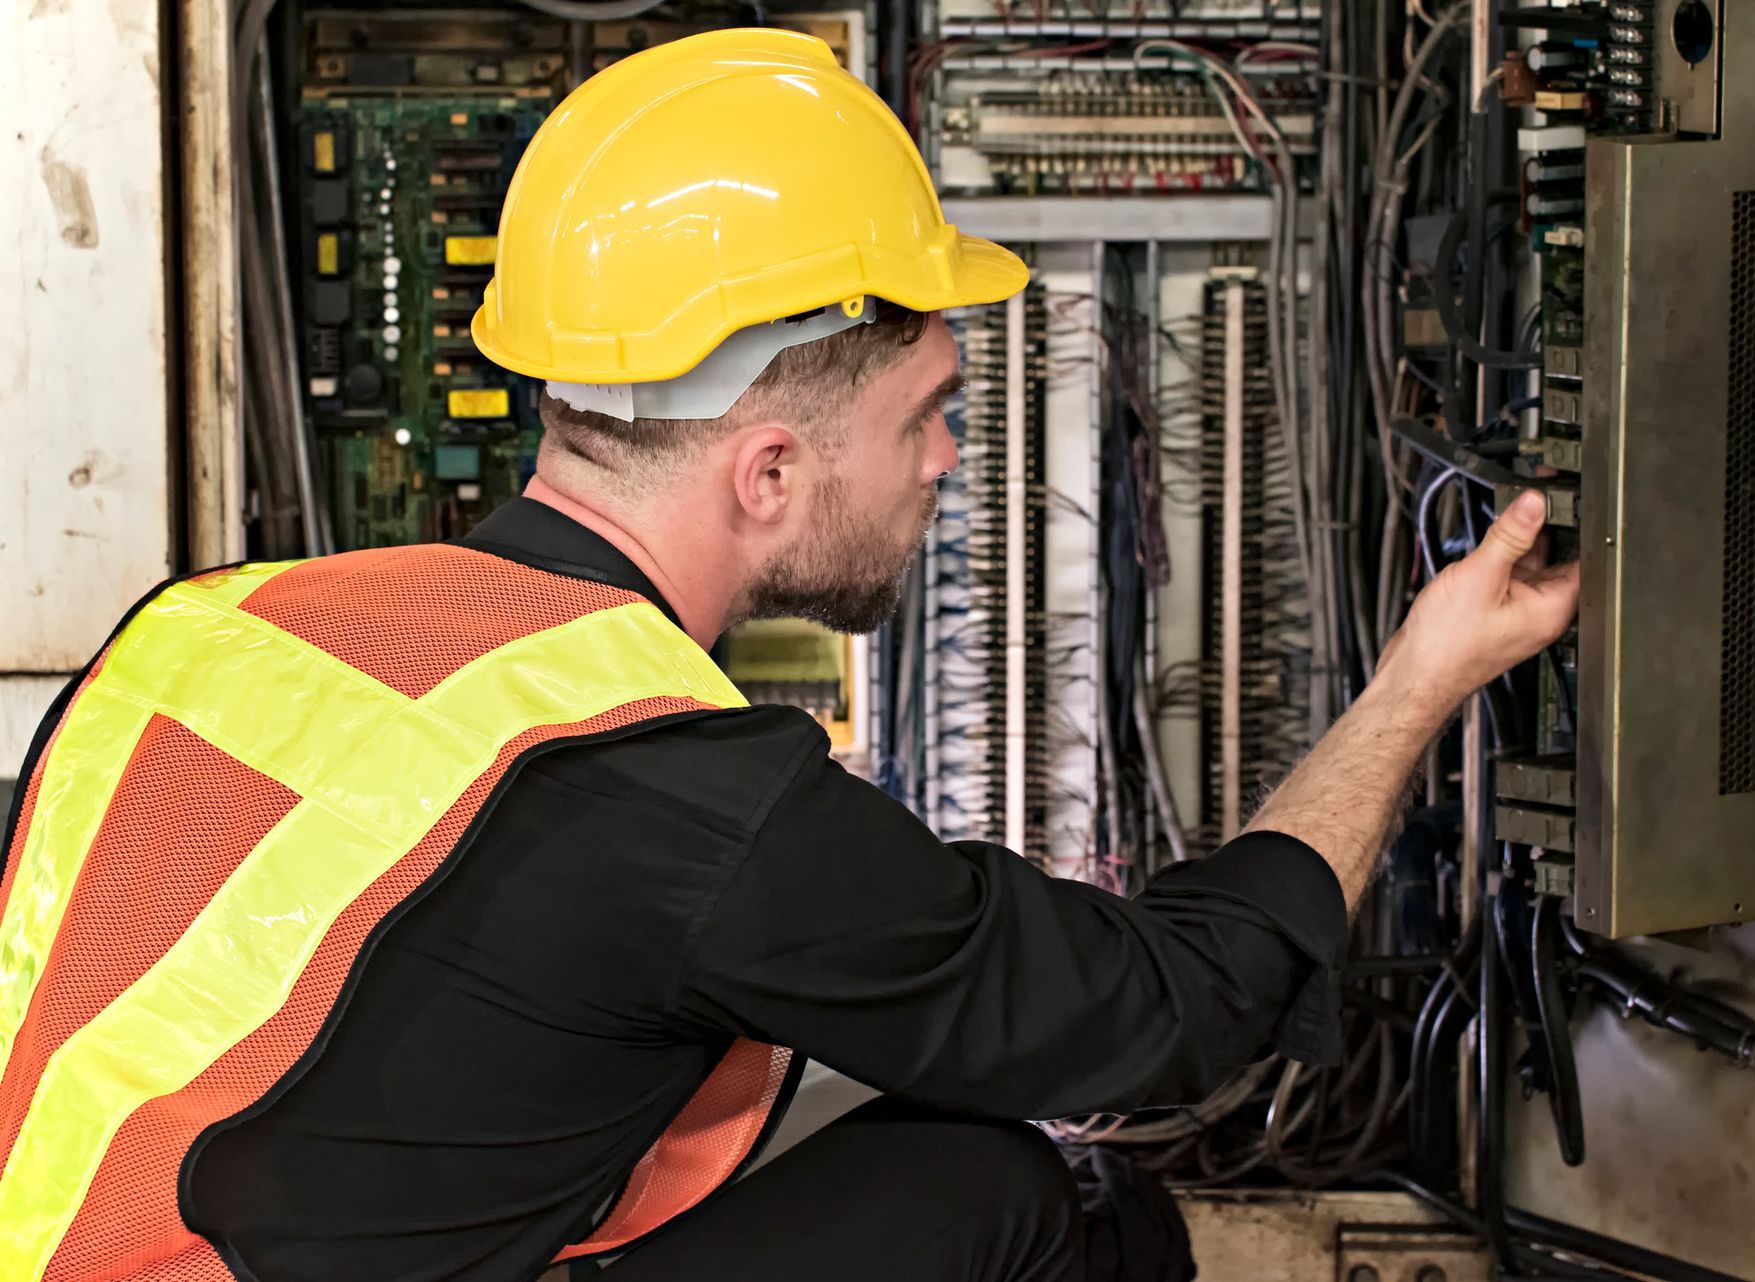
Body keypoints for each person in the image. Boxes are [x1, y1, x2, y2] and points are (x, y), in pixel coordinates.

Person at [0, 28, 1577, 1282]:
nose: (953, 460)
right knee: (1027, 1205)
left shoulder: (210, 626)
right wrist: (1422, 678)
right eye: (928, 417)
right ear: (765, 471)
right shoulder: (682, 801)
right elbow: (1171, 1007)